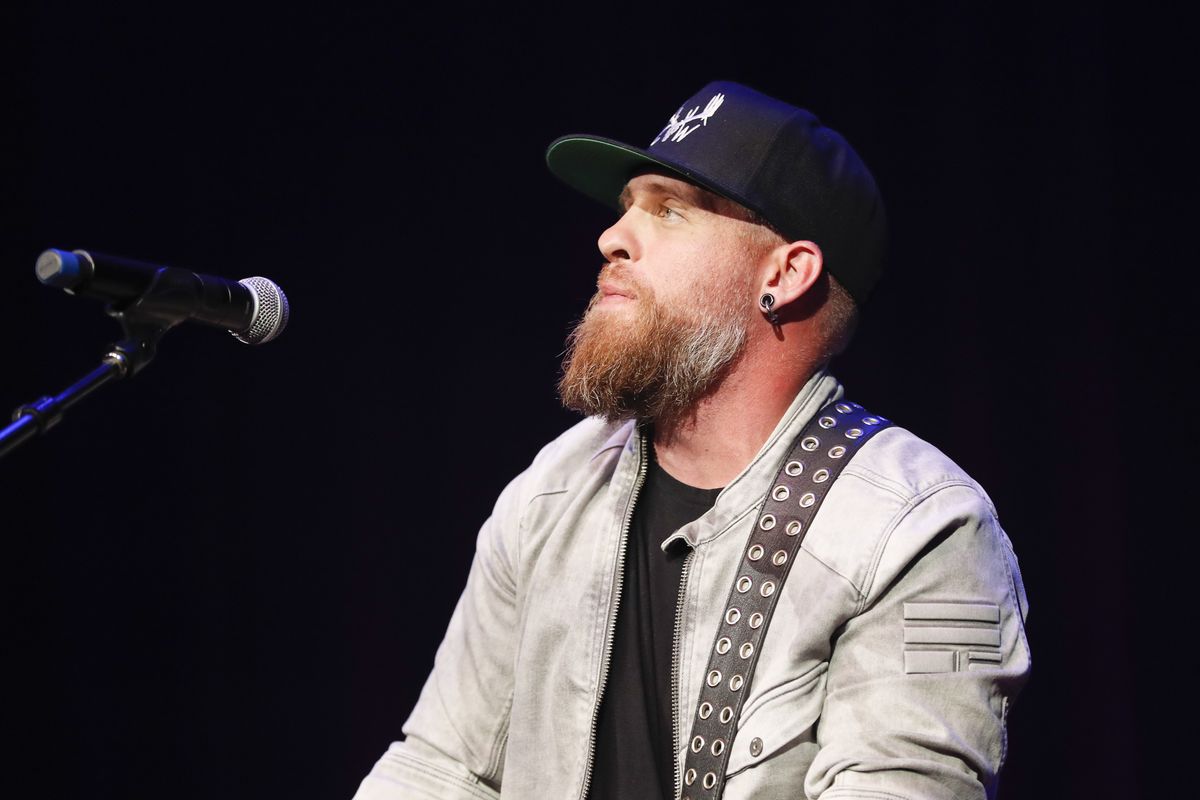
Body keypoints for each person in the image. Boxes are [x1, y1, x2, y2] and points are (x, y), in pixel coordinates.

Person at [353, 81, 1031, 800]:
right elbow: (440, 768)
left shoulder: (926, 531)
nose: (612, 238)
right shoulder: (553, 488)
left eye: (669, 211)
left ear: (785, 272)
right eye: (625, 211)